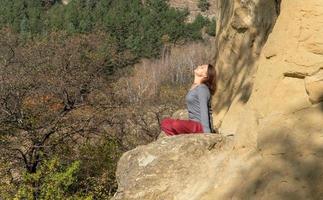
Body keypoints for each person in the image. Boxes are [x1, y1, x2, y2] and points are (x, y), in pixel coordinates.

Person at [160, 63, 217, 136]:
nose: (199, 66)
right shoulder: (195, 87)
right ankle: (178, 136)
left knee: (176, 124)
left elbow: (204, 110)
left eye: (202, 68)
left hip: (200, 126)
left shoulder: (202, 88)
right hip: (192, 124)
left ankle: (180, 134)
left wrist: (207, 133)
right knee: (165, 122)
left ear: (205, 75)